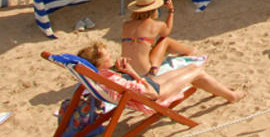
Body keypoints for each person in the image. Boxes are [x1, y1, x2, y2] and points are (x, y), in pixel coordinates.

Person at [77, 41, 244, 106]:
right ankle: (231, 96)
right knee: (197, 70)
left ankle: (220, 89)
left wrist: (128, 72)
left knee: (191, 68)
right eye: (107, 56)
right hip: (153, 94)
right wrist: (136, 77)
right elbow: (148, 94)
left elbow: (135, 87)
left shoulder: (101, 76)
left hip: (144, 88)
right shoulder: (111, 79)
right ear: (98, 62)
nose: (111, 56)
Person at [121, 0, 196, 77]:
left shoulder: (126, 25)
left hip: (126, 70)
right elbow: (166, 31)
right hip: (146, 72)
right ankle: (188, 51)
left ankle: (187, 51)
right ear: (154, 9)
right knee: (165, 40)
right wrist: (171, 10)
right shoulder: (156, 25)